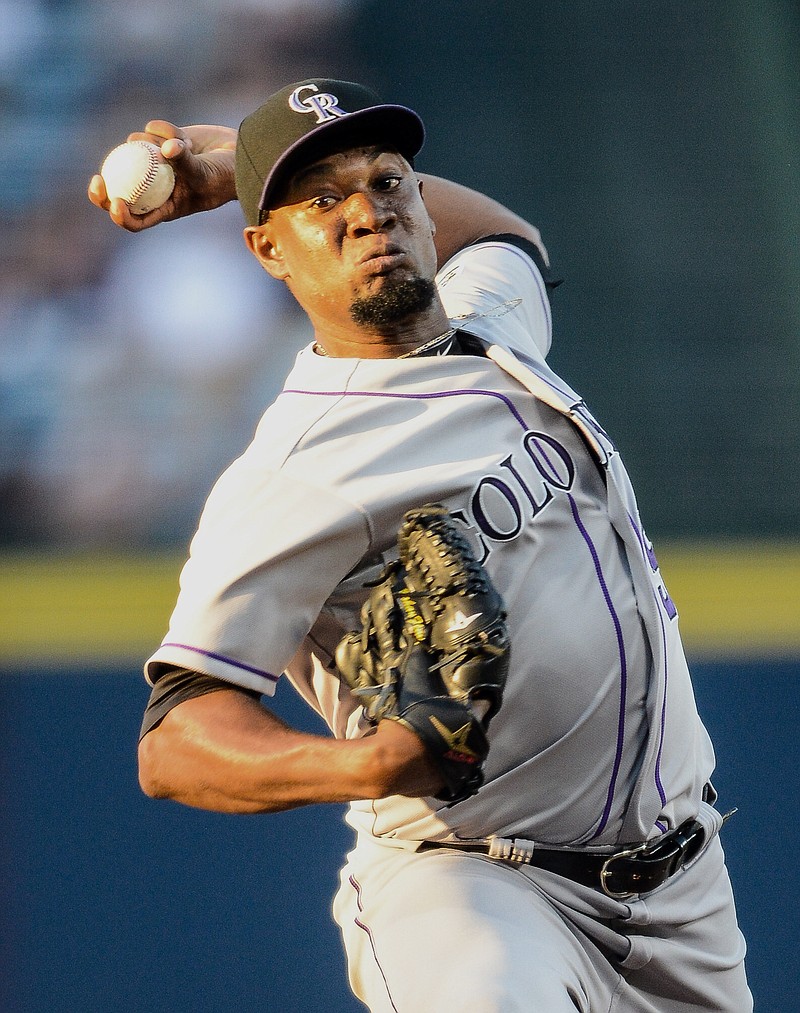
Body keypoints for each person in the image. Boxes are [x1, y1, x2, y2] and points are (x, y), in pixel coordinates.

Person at [89, 79, 752, 1012]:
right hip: (477, 888)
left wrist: (236, 153)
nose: (368, 213)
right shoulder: (293, 473)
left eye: (388, 183)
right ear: (265, 250)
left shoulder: (492, 328)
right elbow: (177, 741)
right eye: (323, 201)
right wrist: (361, 766)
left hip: (688, 898)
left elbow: (506, 235)